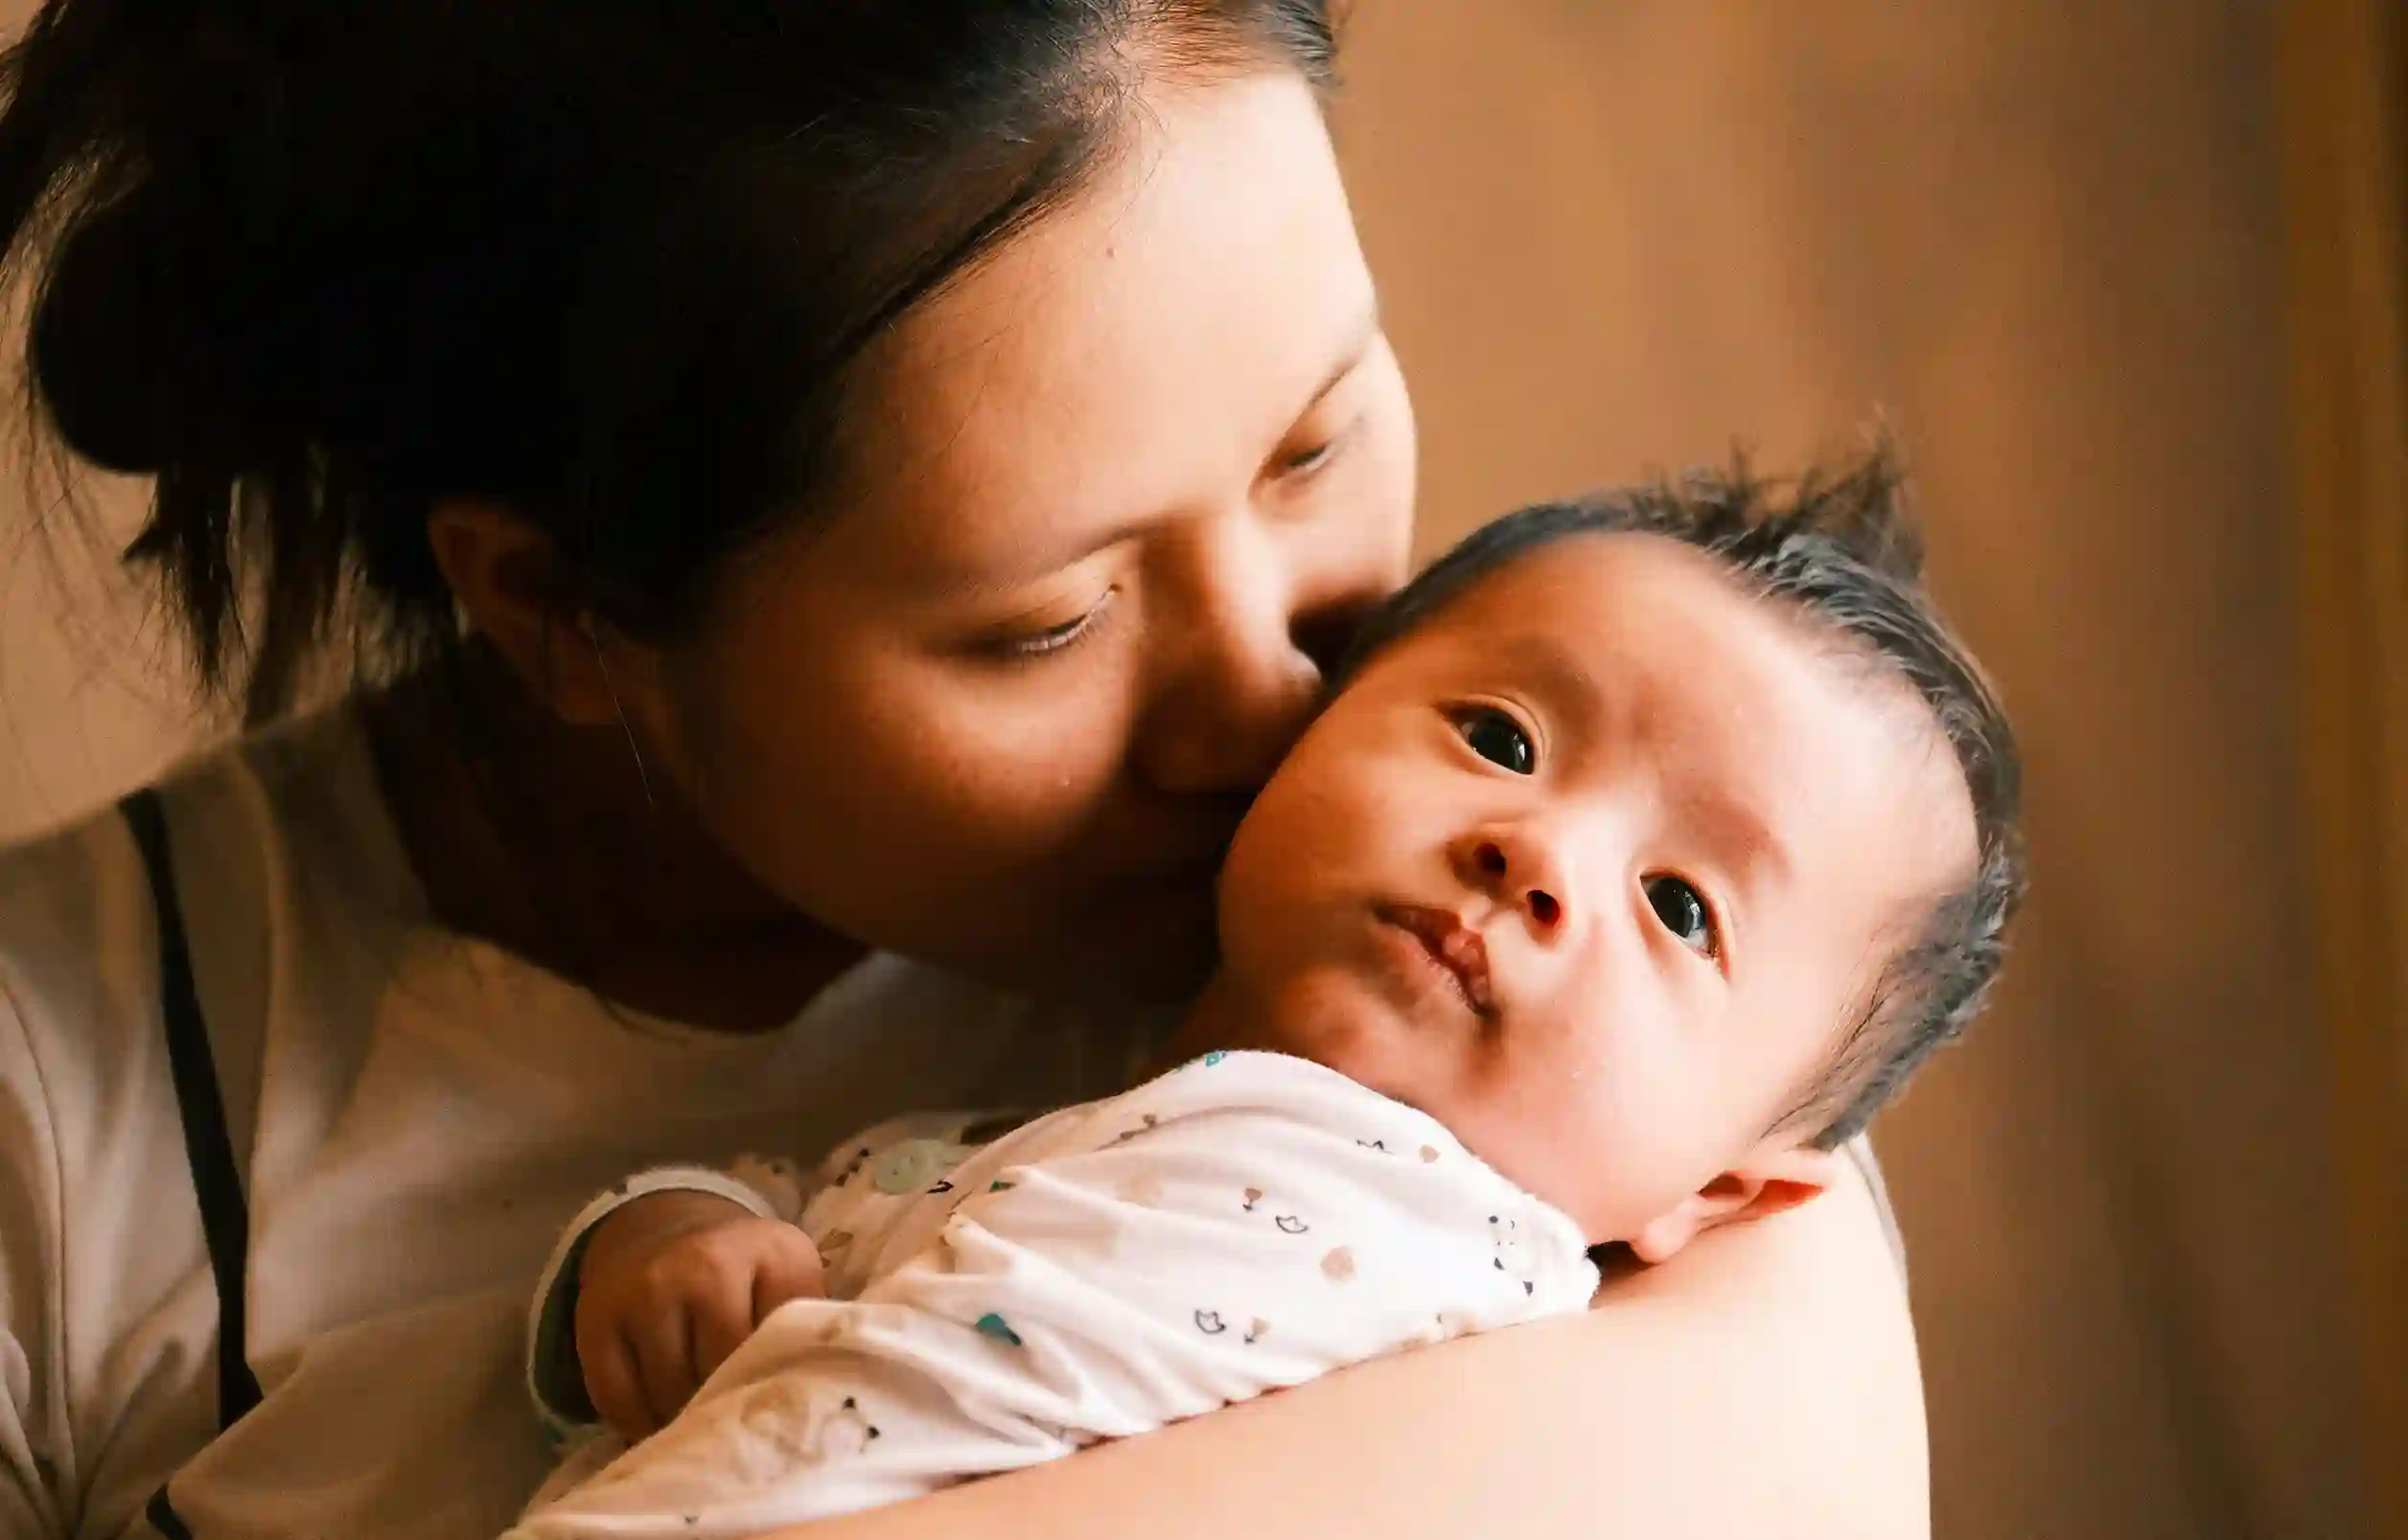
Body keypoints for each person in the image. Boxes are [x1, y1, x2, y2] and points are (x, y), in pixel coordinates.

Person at [0, 3, 1933, 1537]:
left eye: (1315, 442)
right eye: (1045, 623)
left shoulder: (1574, 1021)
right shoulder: (64, 1105)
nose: (1268, 703)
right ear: (563, 606)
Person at [510, 460, 2024, 1539]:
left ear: (1724, 1189)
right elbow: (782, 1225)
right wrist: (658, 1241)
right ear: (1304, 724)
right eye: (1500, 737)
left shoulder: (1491, 1309)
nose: (1538, 848)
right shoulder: (993, 1129)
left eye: (1682, 906)